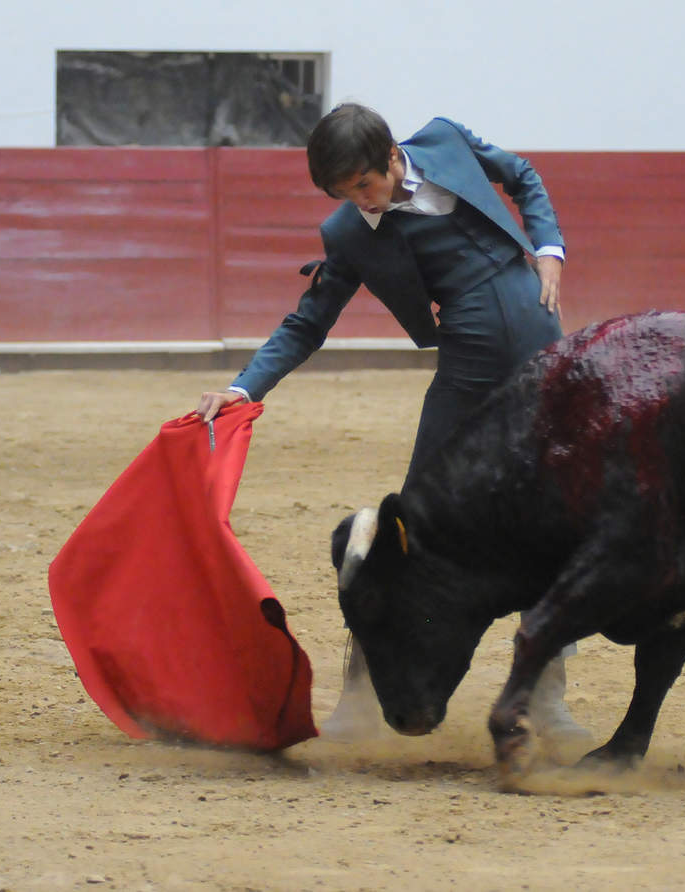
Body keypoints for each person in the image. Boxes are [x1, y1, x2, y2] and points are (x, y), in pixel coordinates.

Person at [195, 103, 589, 748]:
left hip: (545, 357)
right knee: (407, 533)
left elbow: (521, 173)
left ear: (390, 158)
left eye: (364, 185)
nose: (360, 201)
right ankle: (361, 689)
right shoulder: (349, 233)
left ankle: (547, 698)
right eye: (343, 193)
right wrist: (243, 388)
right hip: (466, 369)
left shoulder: (446, 140)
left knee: (553, 518)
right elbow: (308, 321)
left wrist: (548, 248)